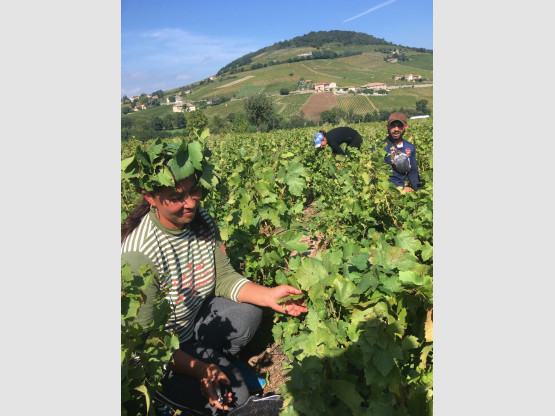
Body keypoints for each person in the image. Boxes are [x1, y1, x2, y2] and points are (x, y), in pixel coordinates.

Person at [121, 140, 307, 415]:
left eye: (193, 190)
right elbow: (143, 346)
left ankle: (215, 364)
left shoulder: (200, 219)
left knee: (250, 313)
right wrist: (199, 370)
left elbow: (224, 278)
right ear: (150, 198)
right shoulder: (139, 255)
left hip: (194, 325)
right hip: (160, 352)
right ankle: (166, 395)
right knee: (237, 394)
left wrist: (269, 295)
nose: (189, 203)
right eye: (176, 196)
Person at [382, 112, 421, 192]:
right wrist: (399, 190)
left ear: (406, 127)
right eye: (393, 125)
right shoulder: (380, 148)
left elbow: (413, 172)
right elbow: (375, 178)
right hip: (386, 195)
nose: (396, 129)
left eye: (400, 126)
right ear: (387, 127)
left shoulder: (410, 147)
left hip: (404, 193)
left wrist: (418, 193)